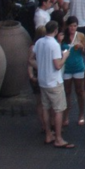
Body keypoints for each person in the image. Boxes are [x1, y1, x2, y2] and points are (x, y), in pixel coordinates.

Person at [34, 20, 74, 148]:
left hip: (42, 80)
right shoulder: (54, 45)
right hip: (54, 81)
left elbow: (32, 57)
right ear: (56, 31)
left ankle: (48, 134)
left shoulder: (39, 42)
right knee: (58, 110)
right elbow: (58, 65)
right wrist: (65, 56)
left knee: (46, 108)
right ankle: (58, 138)